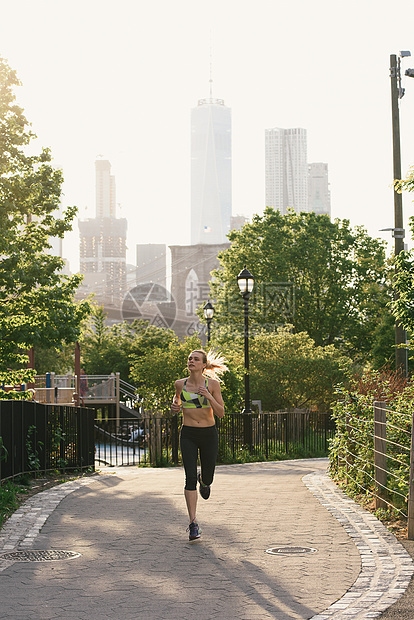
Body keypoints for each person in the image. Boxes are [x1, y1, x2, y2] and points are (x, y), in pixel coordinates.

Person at [171, 349, 228, 542]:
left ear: (204, 365)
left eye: (196, 359)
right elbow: (176, 402)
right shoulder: (181, 384)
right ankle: (193, 524)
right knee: (188, 478)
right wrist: (174, 407)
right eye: (189, 359)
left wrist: (209, 396)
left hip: (208, 434)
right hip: (188, 434)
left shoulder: (213, 385)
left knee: (209, 477)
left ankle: (203, 480)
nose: (191, 361)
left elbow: (221, 413)